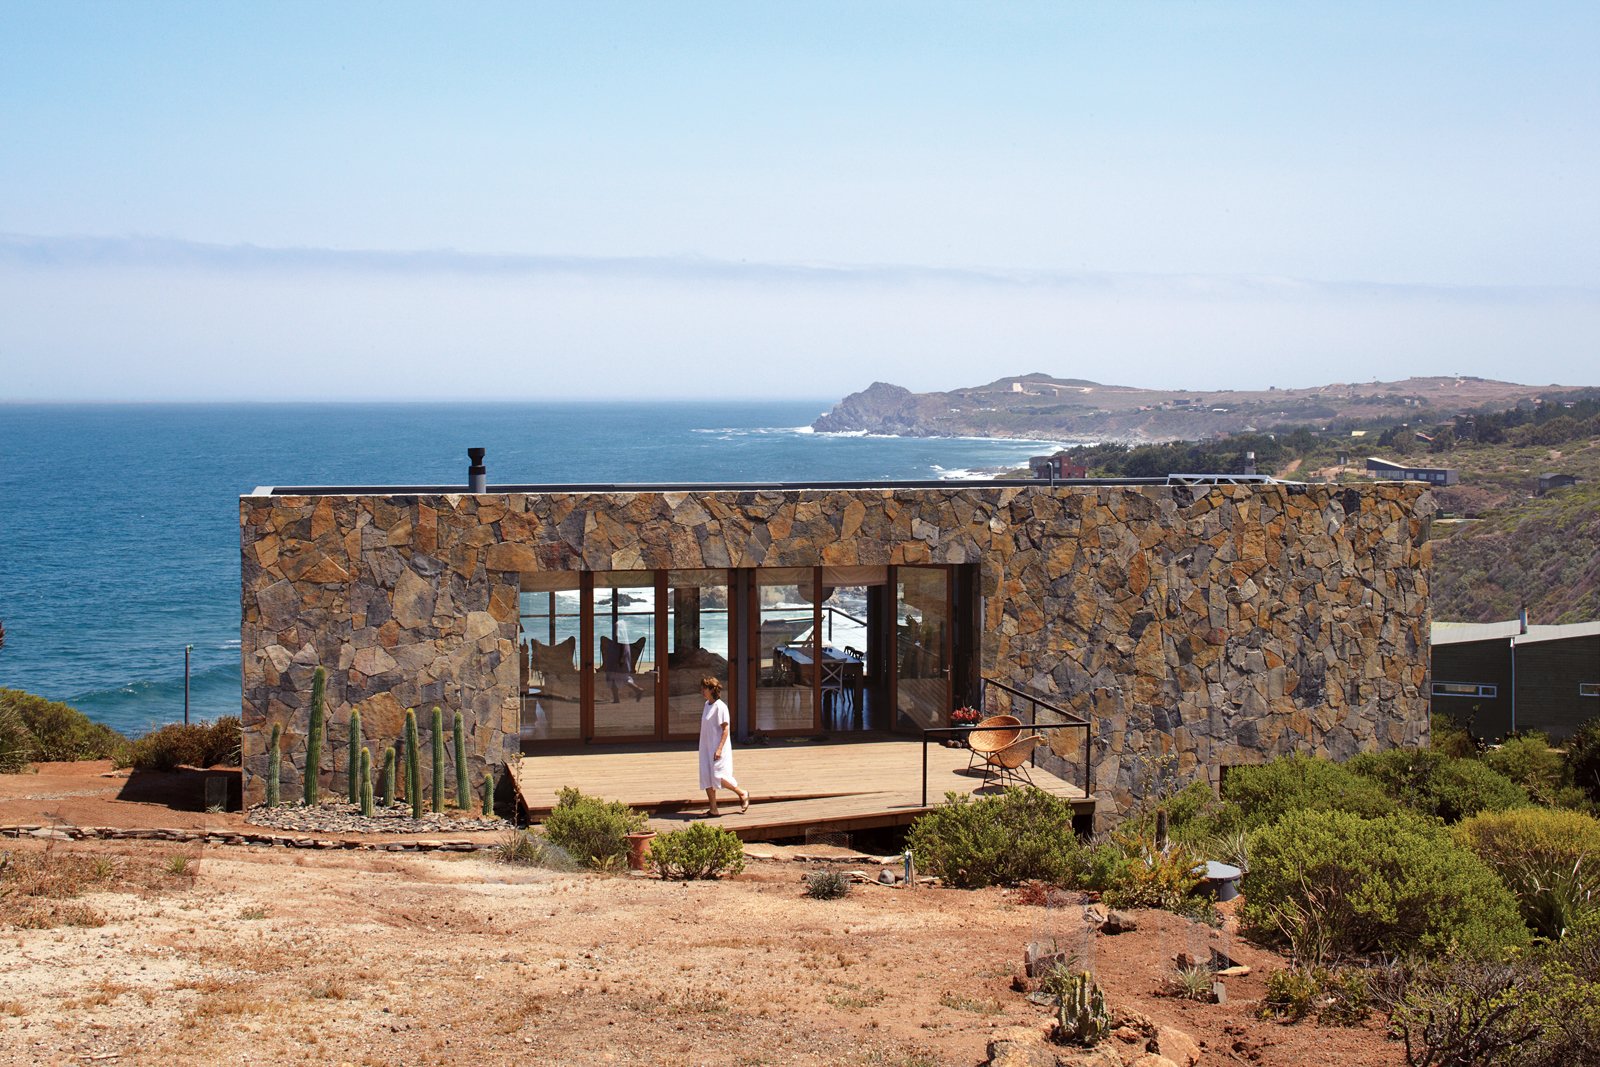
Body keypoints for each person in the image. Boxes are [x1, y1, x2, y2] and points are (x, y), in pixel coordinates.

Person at [697, 676, 749, 817]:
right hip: (706, 746)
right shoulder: (707, 705)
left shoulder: (720, 707)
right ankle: (713, 809)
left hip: (717, 747)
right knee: (706, 776)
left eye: (705, 688)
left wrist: (719, 748)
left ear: (712, 690)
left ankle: (742, 793)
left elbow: (725, 729)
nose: (702, 690)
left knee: (717, 775)